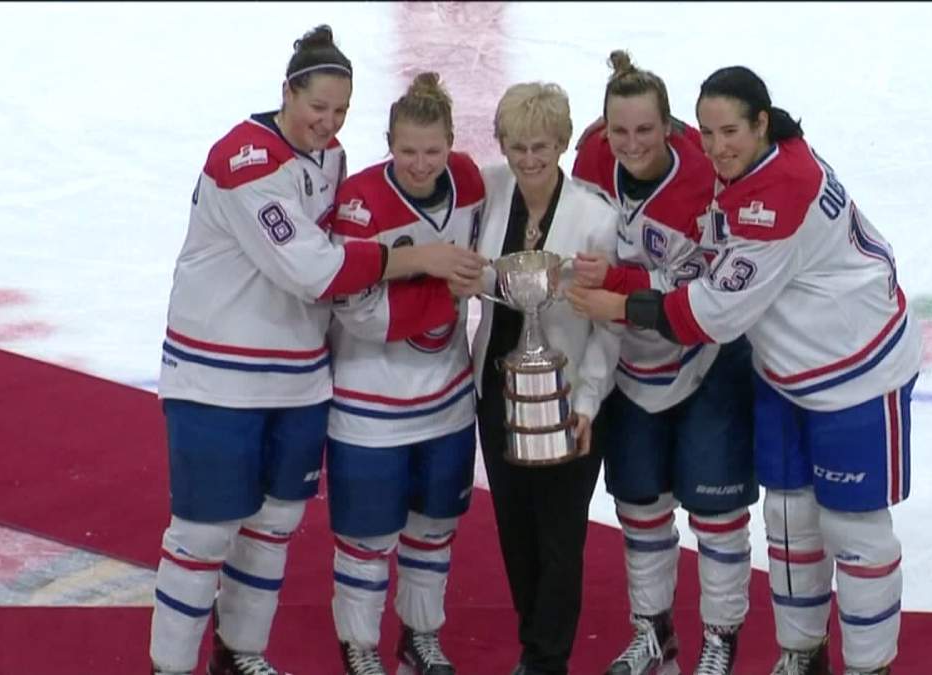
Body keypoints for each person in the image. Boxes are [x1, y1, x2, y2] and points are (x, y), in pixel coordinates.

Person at [149, 28, 484, 675]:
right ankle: (171, 668)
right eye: (317, 107)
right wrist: (419, 258)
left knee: (273, 525)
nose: (327, 123)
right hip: (218, 378)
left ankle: (240, 653)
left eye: (341, 111)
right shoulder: (243, 162)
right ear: (287, 92)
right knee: (202, 534)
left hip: (301, 378)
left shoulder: (329, 157)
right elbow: (314, 270)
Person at [567, 65, 922, 675]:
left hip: (857, 371)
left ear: (761, 123)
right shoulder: (758, 154)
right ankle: (801, 655)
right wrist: (631, 132)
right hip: (784, 371)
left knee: (855, 532)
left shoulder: (776, 196)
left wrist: (618, 305)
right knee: (788, 524)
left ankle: (869, 667)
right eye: (706, 133)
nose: (716, 147)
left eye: (729, 132)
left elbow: (709, 315)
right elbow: (682, 153)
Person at [570, 51, 758, 675]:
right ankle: (653, 634)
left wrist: (617, 285)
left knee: (717, 513)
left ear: (671, 126)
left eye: (645, 130)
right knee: (640, 506)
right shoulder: (591, 158)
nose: (631, 143)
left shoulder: (706, 175)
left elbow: (700, 287)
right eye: (619, 130)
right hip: (627, 363)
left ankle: (720, 639)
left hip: (705, 358)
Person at [324, 71, 485, 675]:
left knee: (434, 530)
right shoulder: (360, 201)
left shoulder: (469, 183)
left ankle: (421, 637)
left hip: (447, 403)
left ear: (452, 143)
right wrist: (444, 287)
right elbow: (358, 312)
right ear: (389, 143)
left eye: (433, 150)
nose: (420, 164)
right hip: (369, 409)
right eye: (408, 150)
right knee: (366, 540)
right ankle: (360, 646)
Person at [468, 81, 622, 675]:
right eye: (517, 146)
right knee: (515, 528)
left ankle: (546, 658)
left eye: (541, 146)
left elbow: (609, 327)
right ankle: (534, 642)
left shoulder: (596, 217)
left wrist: (589, 402)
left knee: (559, 533)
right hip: (498, 392)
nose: (529, 159)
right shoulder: (487, 192)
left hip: (568, 396)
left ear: (562, 143)